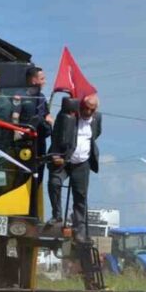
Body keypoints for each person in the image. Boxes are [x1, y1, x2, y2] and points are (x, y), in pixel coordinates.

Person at [47, 95, 102, 237]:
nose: (88, 112)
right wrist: (56, 154)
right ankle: (57, 215)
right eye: (85, 108)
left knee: (80, 195)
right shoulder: (68, 116)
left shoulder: (97, 119)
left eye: (92, 109)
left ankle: (79, 226)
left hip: (82, 162)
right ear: (80, 106)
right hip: (64, 160)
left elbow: (96, 134)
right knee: (54, 183)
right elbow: (56, 134)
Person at [25, 66, 54, 187]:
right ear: (33, 80)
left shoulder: (41, 97)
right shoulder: (21, 97)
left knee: (39, 174)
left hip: (40, 141)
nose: (44, 82)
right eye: (42, 79)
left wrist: (50, 121)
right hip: (26, 142)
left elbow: (47, 115)